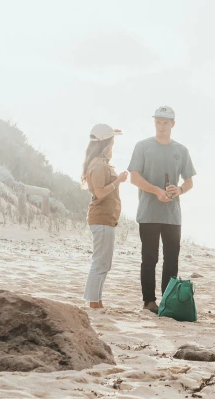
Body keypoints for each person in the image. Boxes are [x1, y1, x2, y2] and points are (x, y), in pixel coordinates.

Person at [128, 105, 196, 313]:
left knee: (172, 258)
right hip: (148, 212)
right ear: (154, 122)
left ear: (173, 124)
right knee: (149, 258)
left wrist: (179, 190)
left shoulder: (181, 150)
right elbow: (134, 177)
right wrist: (156, 191)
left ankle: (167, 302)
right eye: (158, 121)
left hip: (172, 215)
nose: (161, 126)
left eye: (166, 122)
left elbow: (189, 182)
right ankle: (149, 301)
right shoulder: (142, 146)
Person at [81, 123, 128, 309]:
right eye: (112, 142)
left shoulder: (100, 163)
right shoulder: (99, 165)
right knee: (100, 262)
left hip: (106, 218)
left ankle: (96, 300)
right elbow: (100, 193)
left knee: (103, 262)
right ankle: (93, 302)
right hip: (101, 218)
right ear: (106, 144)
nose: (113, 145)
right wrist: (118, 181)